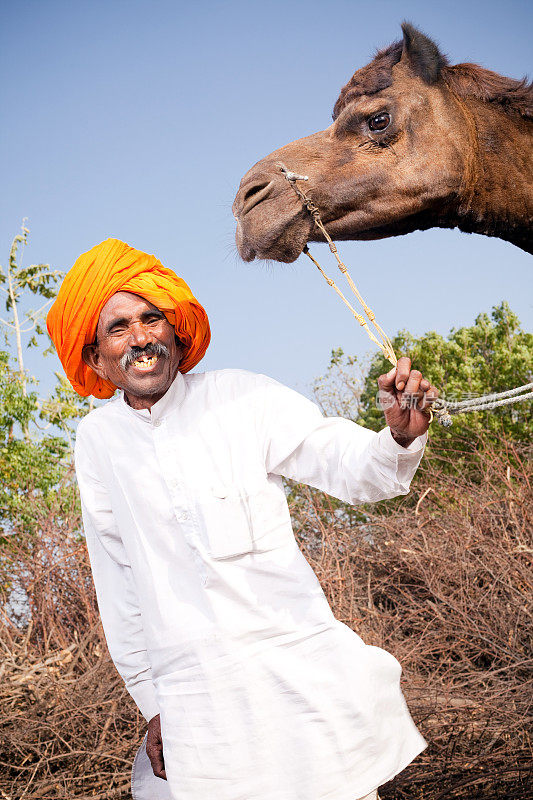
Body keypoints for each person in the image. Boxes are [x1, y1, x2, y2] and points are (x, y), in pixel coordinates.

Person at [47, 238, 438, 800]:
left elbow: (348, 465)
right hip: (199, 703)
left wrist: (399, 436)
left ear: (175, 329)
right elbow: (119, 582)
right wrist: (152, 705)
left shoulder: (242, 397)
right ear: (94, 359)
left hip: (298, 674)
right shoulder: (98, 441)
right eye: (118, 328)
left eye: (151, 318)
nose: (140, 338)